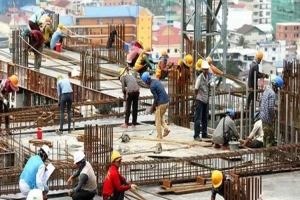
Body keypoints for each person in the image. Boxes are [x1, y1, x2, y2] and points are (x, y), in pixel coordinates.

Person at [141, 72, 170, 139]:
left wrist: (152, 107)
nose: (146, 84)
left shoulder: (152, 87)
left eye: (145, 82)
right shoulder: (156, 81)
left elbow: (156, 98)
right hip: (166, 102)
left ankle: (159, 137)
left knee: (157, 120)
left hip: (162, 104)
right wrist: (155, 106)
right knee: (160, 117)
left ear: (147, 81)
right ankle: (166, 129)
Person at [260, 76, 283, 148]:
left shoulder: (266, 90)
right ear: (276, 86)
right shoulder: (272, 94)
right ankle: (268, 157)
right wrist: (273, 116)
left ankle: (264, 155)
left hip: (263, 116)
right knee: (269, 139)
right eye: (278, 88)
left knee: (265, 137)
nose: (277, 90)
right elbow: (270, 108)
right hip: (267, 118)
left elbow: (264, 103)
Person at [194, 61, 210, 141]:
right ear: (202, 69)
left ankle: (204, 133)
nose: (205, 71)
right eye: (204, 69)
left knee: (205, 118)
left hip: (205, 100)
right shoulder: (199, 78)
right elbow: (196, 89)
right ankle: (196, 135)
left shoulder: (207, 77)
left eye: (206, 69)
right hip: (200, 99)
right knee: (198, 118)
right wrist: (195, 100)